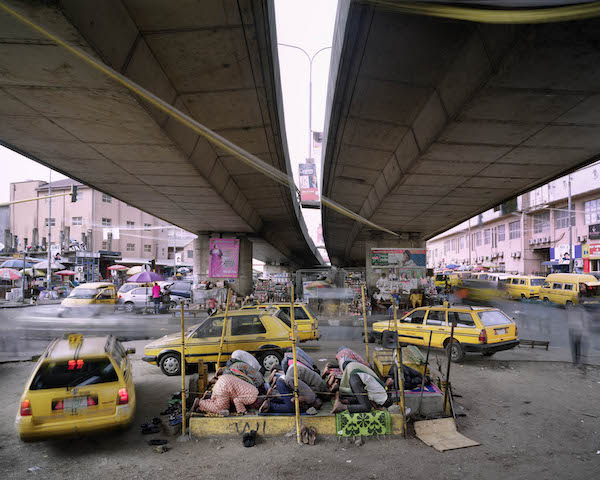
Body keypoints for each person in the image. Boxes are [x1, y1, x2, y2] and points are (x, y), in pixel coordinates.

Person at [192, 374, 259, 415]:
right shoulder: (252, 398)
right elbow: (237, 400)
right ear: (256, 403)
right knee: (223, 410)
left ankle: (203, 406)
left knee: (219, 402)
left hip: (225, 380)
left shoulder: (255, 390)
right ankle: (200, 403)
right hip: (224, 386)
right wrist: (245, 412)